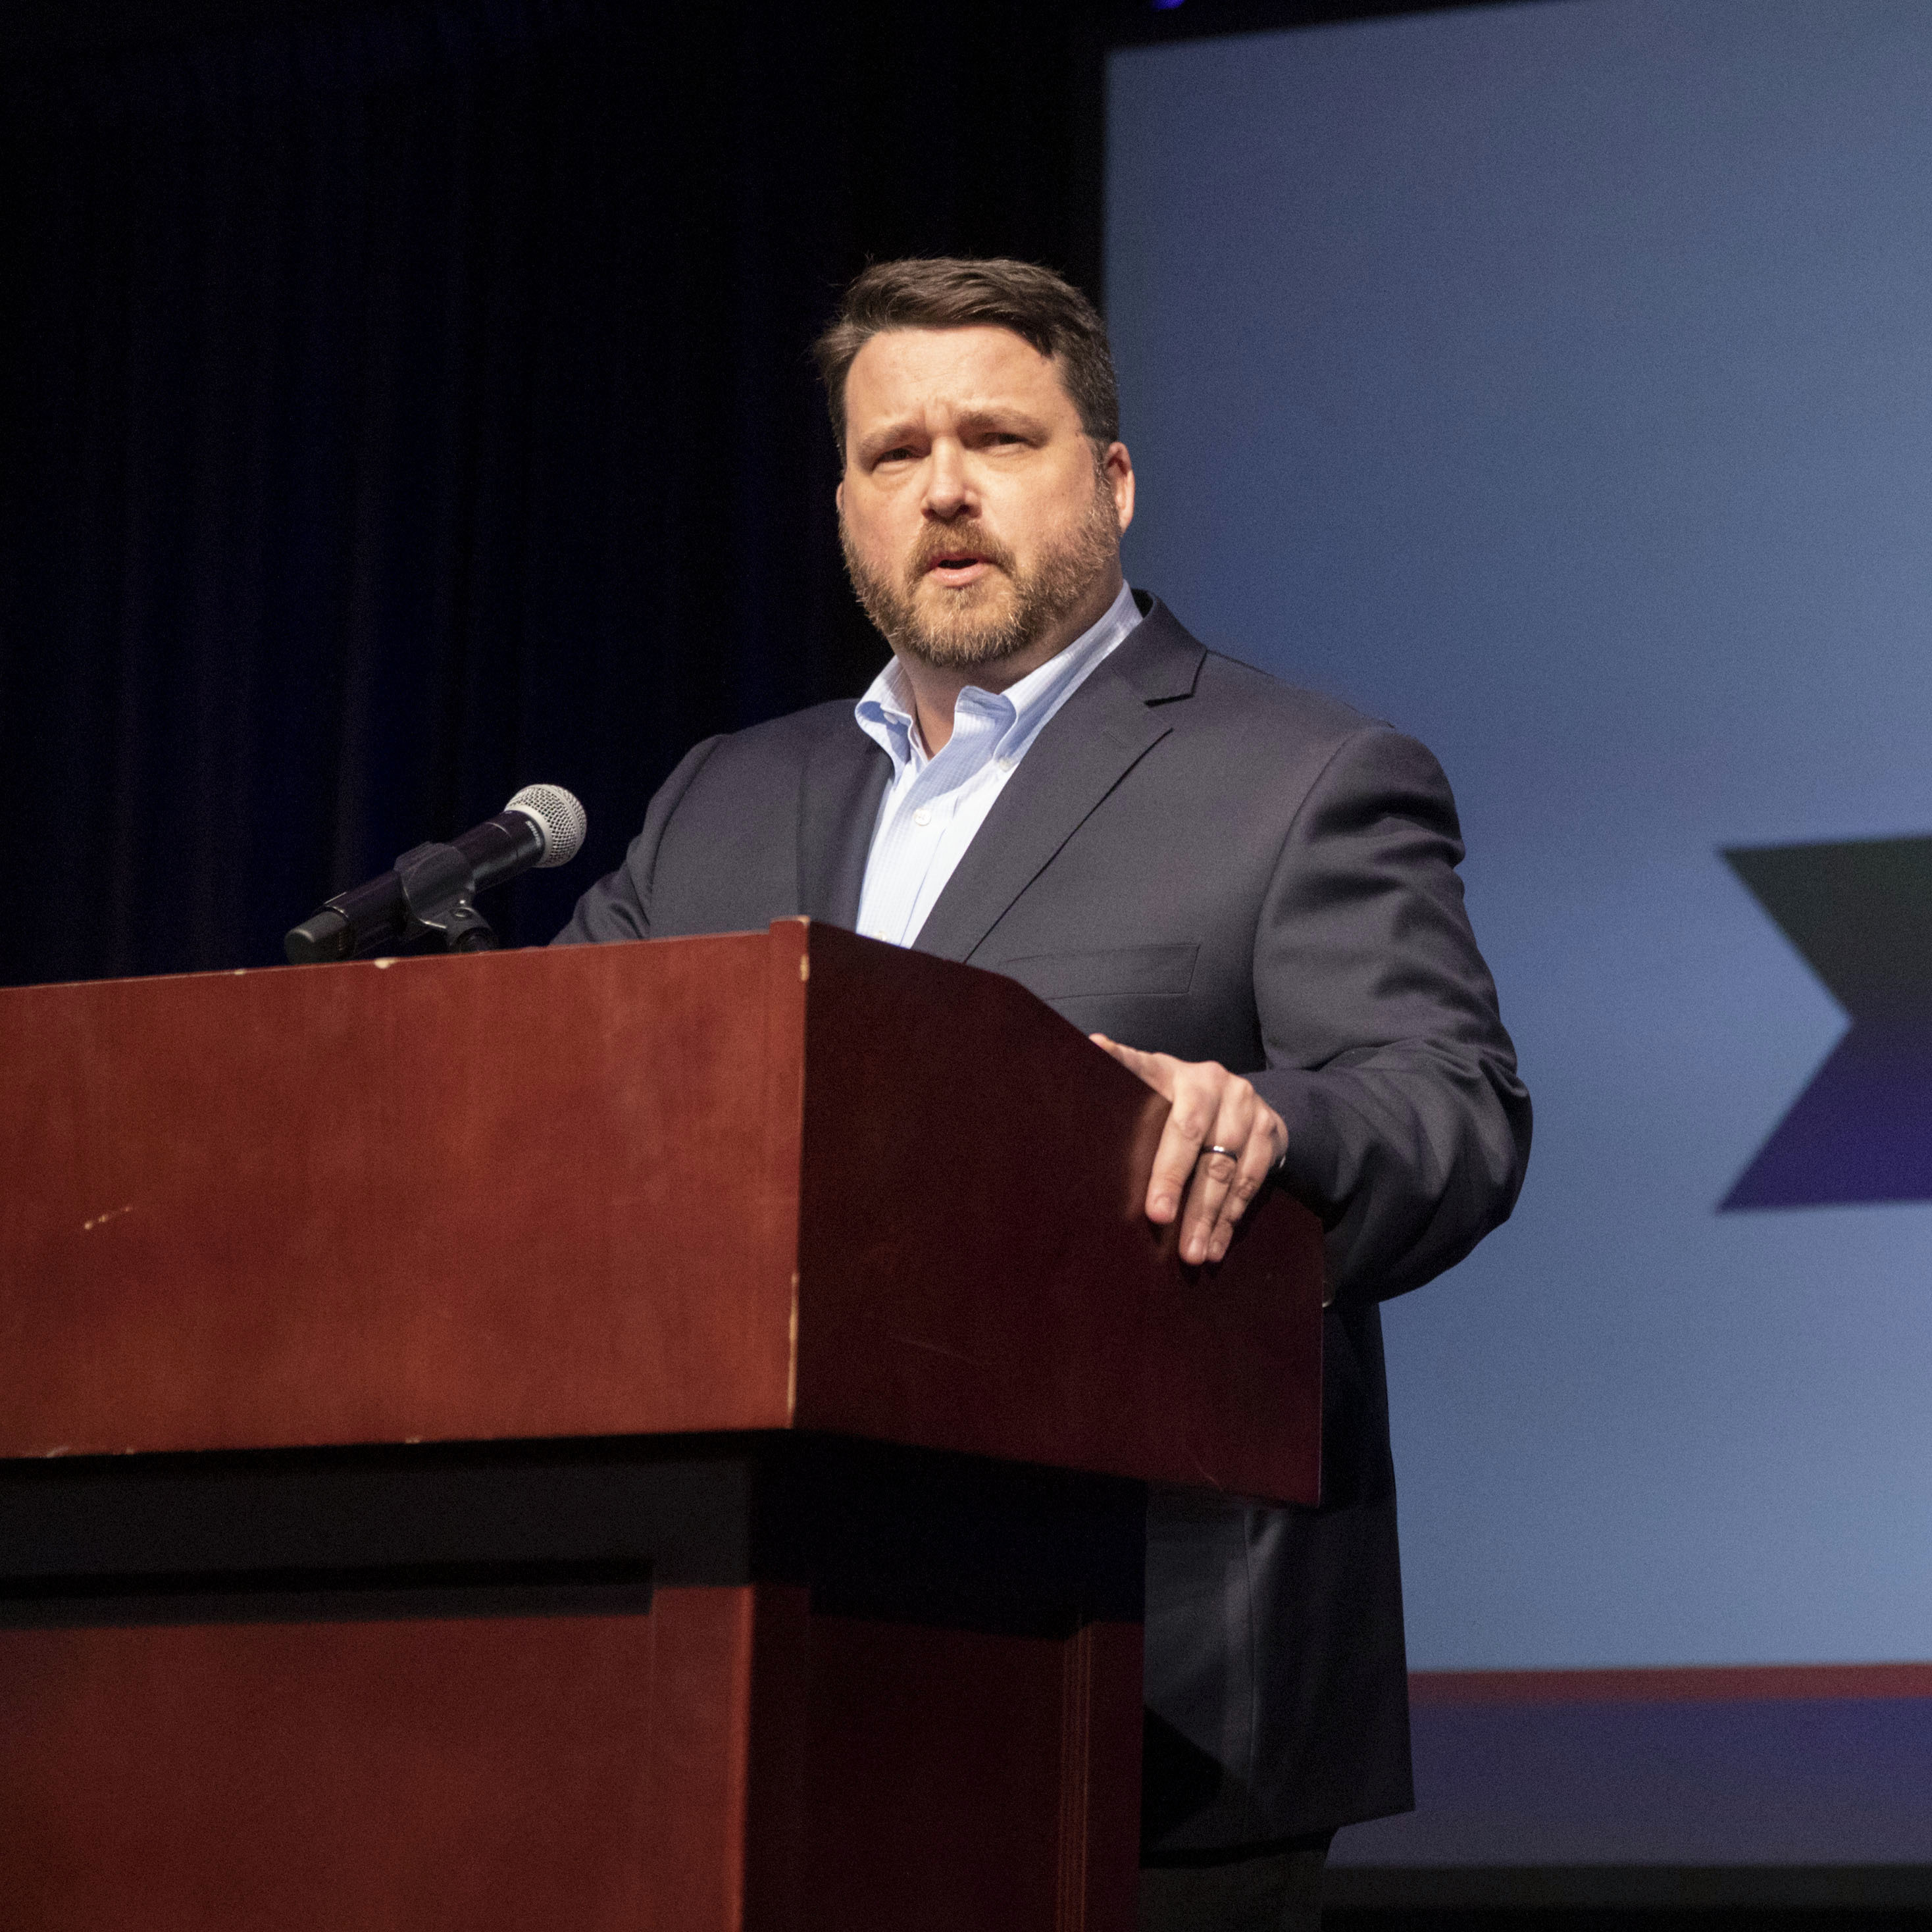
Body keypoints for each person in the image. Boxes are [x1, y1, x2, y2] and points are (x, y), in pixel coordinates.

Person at [556, 257, 1531, 1931]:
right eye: (893, 454)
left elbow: (1447, 1101)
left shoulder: (1297, 775)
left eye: (999, 439)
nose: (943, 489)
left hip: (1144, 1688)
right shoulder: (726, 792)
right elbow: (554, 1089)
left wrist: (1274, 1123)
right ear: (847, 502)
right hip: (749, 1667)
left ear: (1115, 481)